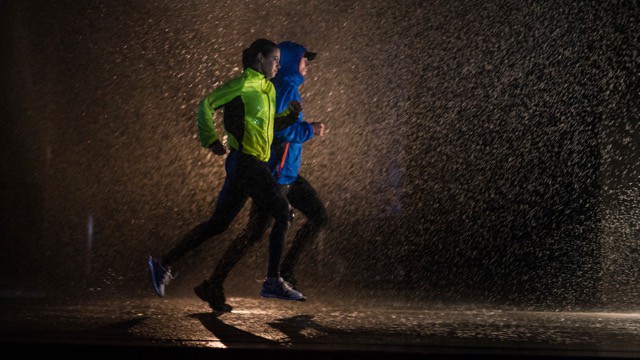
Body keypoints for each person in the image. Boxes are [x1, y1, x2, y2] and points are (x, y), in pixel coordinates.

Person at [148, 38, 306, 308]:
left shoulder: (266, 88)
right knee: (281, 211)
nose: (278, 65)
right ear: (259, 58)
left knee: (218, 224)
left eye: (279, 60)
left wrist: (288, 118)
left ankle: (163, 263)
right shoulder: (243, 84)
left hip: (248, 164)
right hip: (246, 162)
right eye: (274, 59)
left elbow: (264, 127)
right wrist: (209, 138)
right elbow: (207, 104)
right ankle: (272, 280)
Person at [193, 40, 328, 312]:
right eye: (304, 60)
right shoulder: (285, 87)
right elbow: (276, 132)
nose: (308, 65)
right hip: (277, 174)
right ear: (291, 61)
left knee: (317, 217)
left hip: (288, 173)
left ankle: (282, 271)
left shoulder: (286, 86)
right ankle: (217, 282)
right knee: (254, 233)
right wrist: (309, 130)